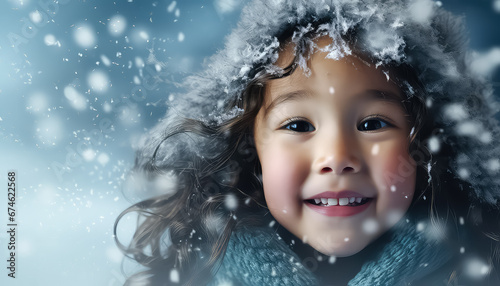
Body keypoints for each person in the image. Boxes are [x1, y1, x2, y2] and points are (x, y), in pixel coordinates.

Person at [115, 0, 500, 285]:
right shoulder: (189, 275)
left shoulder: (478, 269)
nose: (336, 157)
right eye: (298, 126)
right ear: (250, 152)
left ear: (431, 144)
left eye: (373, 123)